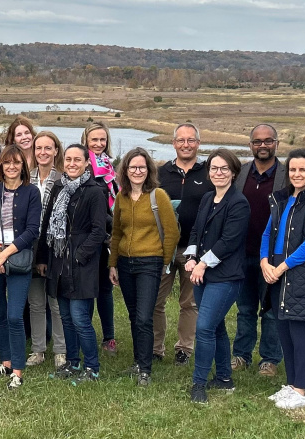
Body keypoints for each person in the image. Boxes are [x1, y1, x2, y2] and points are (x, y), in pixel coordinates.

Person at [260, 148, 305, 410]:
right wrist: (264, 262)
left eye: (303, 169)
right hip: (277, 272)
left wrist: (282, 268)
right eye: (293, 169)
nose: (297, 174)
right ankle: (291, 384)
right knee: (285, 332)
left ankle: (301, 390)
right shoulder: (282, 199)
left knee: (301, 334)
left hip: (302, 275)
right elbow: (267, 234)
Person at [37, 144, 109, 385]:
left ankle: (92, 367)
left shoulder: (95, 191)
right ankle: (73, 362)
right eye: (68, 159)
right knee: (65, 317)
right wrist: (44, 258)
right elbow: (48, 223)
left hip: (82, 263)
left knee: (80, 319)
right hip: (58, 261)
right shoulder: (59, 187)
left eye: (77, 160)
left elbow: (99, 231)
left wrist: (79, 255)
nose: (72, 164)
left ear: (87, 163)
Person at [107, 147, 179, 387]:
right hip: (126, 263)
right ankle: (138, 361)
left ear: (148, 170)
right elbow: (116, 233)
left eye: (141, 167)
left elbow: (171, 233)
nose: (137, 171)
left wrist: (164, 262)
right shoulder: (121, 198)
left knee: (144, 318)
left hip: (150, 262)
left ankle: (145, 370)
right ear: (125, 171)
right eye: (132, 167)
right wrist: (113, 264)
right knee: (133, 314)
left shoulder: (158, 196)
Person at [183, 149, 250, 404]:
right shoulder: (208, 198)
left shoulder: (239, 203)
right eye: (214, 168)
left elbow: (228, 242)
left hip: (226, 276)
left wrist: (201, 264)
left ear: (233, 172)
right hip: (203, 274)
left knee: (204, 327)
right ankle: (224, 378)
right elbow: (196, 231)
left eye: (223, 169)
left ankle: (199, 384)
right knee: (216, 326)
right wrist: (191, 257)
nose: (218, 173)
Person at [0, 145, 42, 389]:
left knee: (14, 315)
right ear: (1, 166)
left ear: (23, 166)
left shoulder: (31, 192)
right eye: (7, 163)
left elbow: (32, 231)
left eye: (16, 162)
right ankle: (5, 362)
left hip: (17, 259)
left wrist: (3, 255)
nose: (11, 167)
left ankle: (18, 370)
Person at [231, 124, 286, 377]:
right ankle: (241, 355)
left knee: (272, 310)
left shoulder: (287, 174)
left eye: (268, 141)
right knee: (244, 309)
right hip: (242, 253)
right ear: (250, 144)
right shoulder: (239, 173)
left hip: (274, 256)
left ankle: (270, 359)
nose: (262, 145)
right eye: (257, 141)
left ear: (277, 143)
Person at [154, 123, 210, 365]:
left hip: (194, 251)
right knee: (156, 300)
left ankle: (184, 349)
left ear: (198, 143)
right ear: (173, 143)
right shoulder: (160, 173)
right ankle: (155, 349)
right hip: (163, 247)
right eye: (181, 140)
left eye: (191, 140)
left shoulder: (209, 172)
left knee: (190, 302)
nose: (186, 145)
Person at [27, 131, 66, 369]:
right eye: (38, 148)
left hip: (54, 250)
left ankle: (61, 350)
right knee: (35, 303)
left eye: (47, 148)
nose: (43, 152)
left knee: (55, 302)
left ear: (55, 151)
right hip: (28, 249)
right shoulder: (25, 178)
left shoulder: (62, 180)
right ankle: (38, 350)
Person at [81, 122, 118, 354]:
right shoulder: (83, 168)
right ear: (85, 141)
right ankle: (84, 333)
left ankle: (109, 337)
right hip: (89, 234)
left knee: (105, 288)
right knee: (86, 289)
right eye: (94, 140)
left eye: (102, 140)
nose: (98, 144)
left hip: (108, 237)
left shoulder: (110, 167)